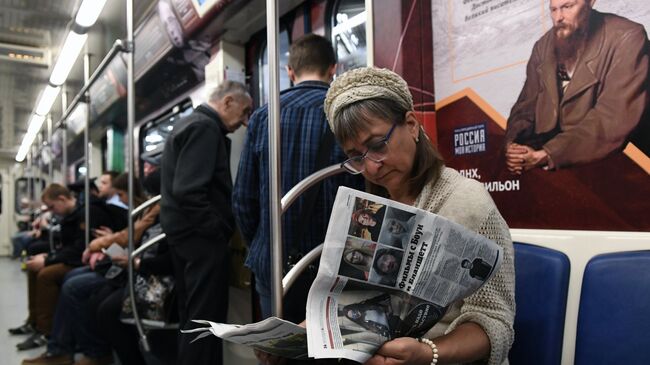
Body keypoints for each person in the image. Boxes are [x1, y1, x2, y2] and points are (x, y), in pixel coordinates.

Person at [324, 67, 515, 365]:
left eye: (377, 145)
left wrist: (428, 353)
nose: (372, 167)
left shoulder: (468, 202)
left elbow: (495, 321)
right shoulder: (372, 212)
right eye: (357, 157)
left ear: (411, 125)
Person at [232, 34, 364, 324]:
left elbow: (243, 200)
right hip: (334, 260)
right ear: (334, 68)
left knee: (279, 349)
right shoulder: (348, 114)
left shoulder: (264, 116)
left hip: (274, 262)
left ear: (290, 71)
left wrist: (264, 240)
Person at [160, 80, 252, 365]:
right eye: (244, 111)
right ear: (226, 102)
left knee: (193, 318)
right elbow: (189, 190)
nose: (245, 121)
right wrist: (218, 230)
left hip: (185, 238)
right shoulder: (204, 128)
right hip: (201, 240)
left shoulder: (189, 123)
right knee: (204, 322)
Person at [504, 0, 649, 173]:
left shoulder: (628, 36)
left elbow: (612, 117)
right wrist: (513, 146)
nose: (558, 17)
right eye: (553, 10)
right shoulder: (542, 46)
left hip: (622, 165)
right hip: (560, 167)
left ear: (590, 2)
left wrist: (548, 154)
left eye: (567, 7)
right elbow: (525, 107)